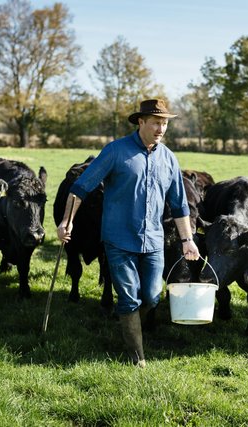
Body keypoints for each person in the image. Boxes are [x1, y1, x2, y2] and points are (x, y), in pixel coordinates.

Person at [57, 99, 200, 368]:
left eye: (165, 123)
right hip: (118, 240)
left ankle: (126, 321)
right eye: (156, 122)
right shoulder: (116, 151)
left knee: (151, 296)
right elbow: (81, 187)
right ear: (141, 122)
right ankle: (137, 356)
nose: (161, 128)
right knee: (129, 296)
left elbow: (179, 204)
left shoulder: (169, 158)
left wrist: (187, 240)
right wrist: (67, 221)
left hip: (153, 241)